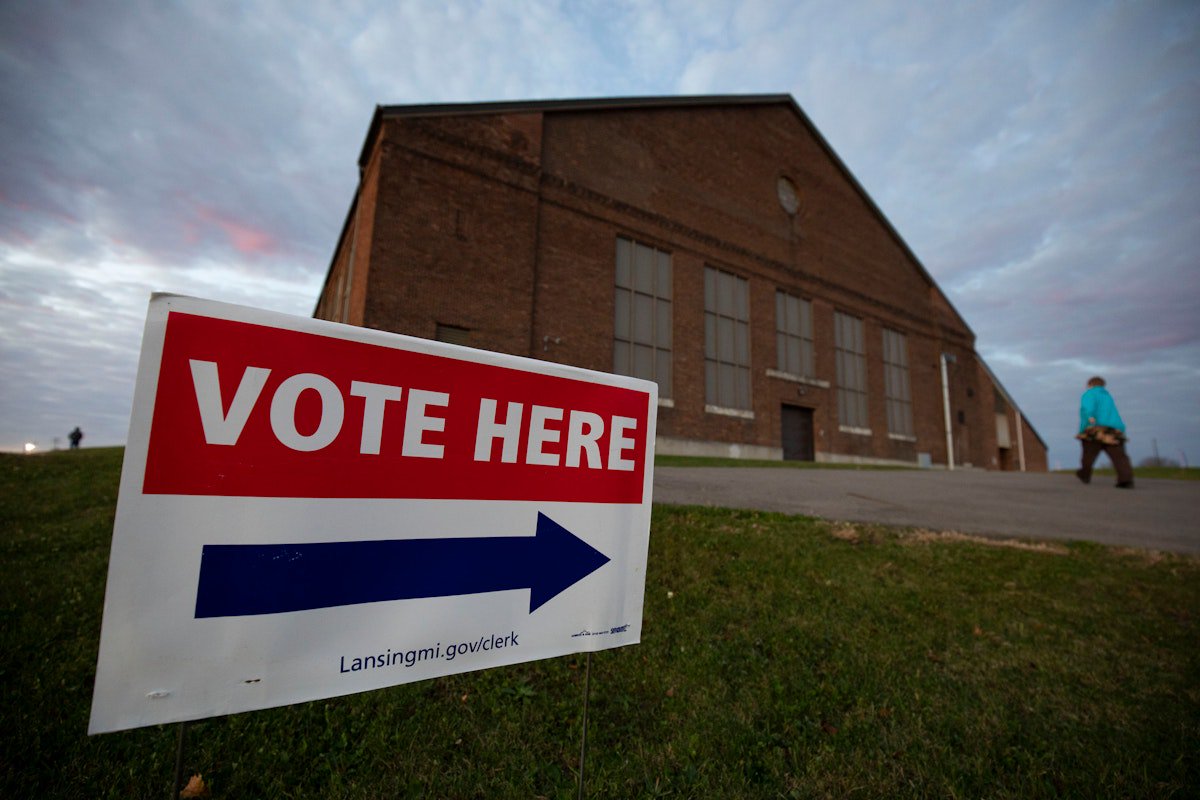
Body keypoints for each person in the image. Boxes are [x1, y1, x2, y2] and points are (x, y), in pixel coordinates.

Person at [1075, 377, 1133, 488]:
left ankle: (1085, 474)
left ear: (1090, 384)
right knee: (1119, 456)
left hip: (1095, 428)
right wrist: (1120, 429)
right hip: (1113, 430)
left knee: (1089, 454)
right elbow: (1114, 414)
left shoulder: (1089, 394)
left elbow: (1087, 407)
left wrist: (1090, 417)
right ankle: (1126, 479)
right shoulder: (1108, 396)